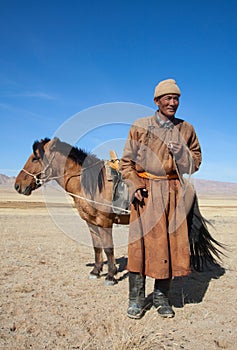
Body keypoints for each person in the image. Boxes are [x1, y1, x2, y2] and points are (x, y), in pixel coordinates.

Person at [119, 78, 202, 319]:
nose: (173, 102)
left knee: (170, 245)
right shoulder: (140, 125)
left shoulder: (187, 129)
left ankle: (161, 297)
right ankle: (135, 299)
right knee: (139, 247)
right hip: (144, 191)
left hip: (173, 191)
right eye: (168, 98)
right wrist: (134, 184)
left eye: (176, 98)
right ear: (157, 101)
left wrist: (182, 153)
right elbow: (126, 163)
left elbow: (195, 162)